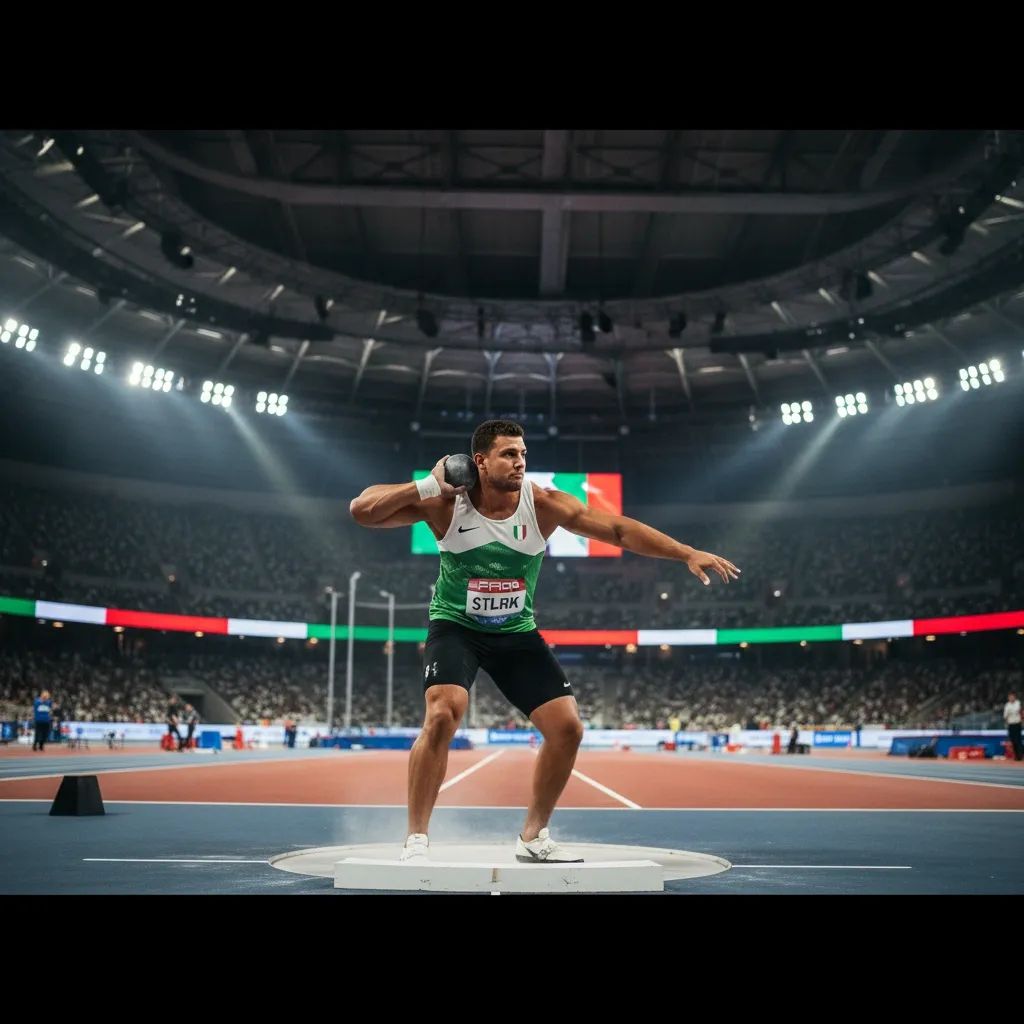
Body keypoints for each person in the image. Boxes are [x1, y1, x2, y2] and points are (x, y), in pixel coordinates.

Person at [350, 418, 740, 863]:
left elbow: (615, 530)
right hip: (457, 627)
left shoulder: (544, 505)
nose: (521, 463)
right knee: (442, 713)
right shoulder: (444, 504)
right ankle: (417, 837)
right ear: (479, 461)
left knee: (568, 729)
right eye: (509, 454)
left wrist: (686, 552)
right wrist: (423, 486)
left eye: (523, 454)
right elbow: (362, 511)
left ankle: (533, 836)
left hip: (516, 633)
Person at [1004, 691, 1022, 762]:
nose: (1011, 698)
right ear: (1008, 698)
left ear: (1015, 697)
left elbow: (1021, 712)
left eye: (1012, 696)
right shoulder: (1007, 705)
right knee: (1013, 740)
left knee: (1018, 740)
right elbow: (1005, 716)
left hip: (1017, 723)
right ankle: (1016, 756)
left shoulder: (1018, 703)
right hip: (1011, 724)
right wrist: (1006, 723)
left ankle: (1020, 756)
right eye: (1010, 697)